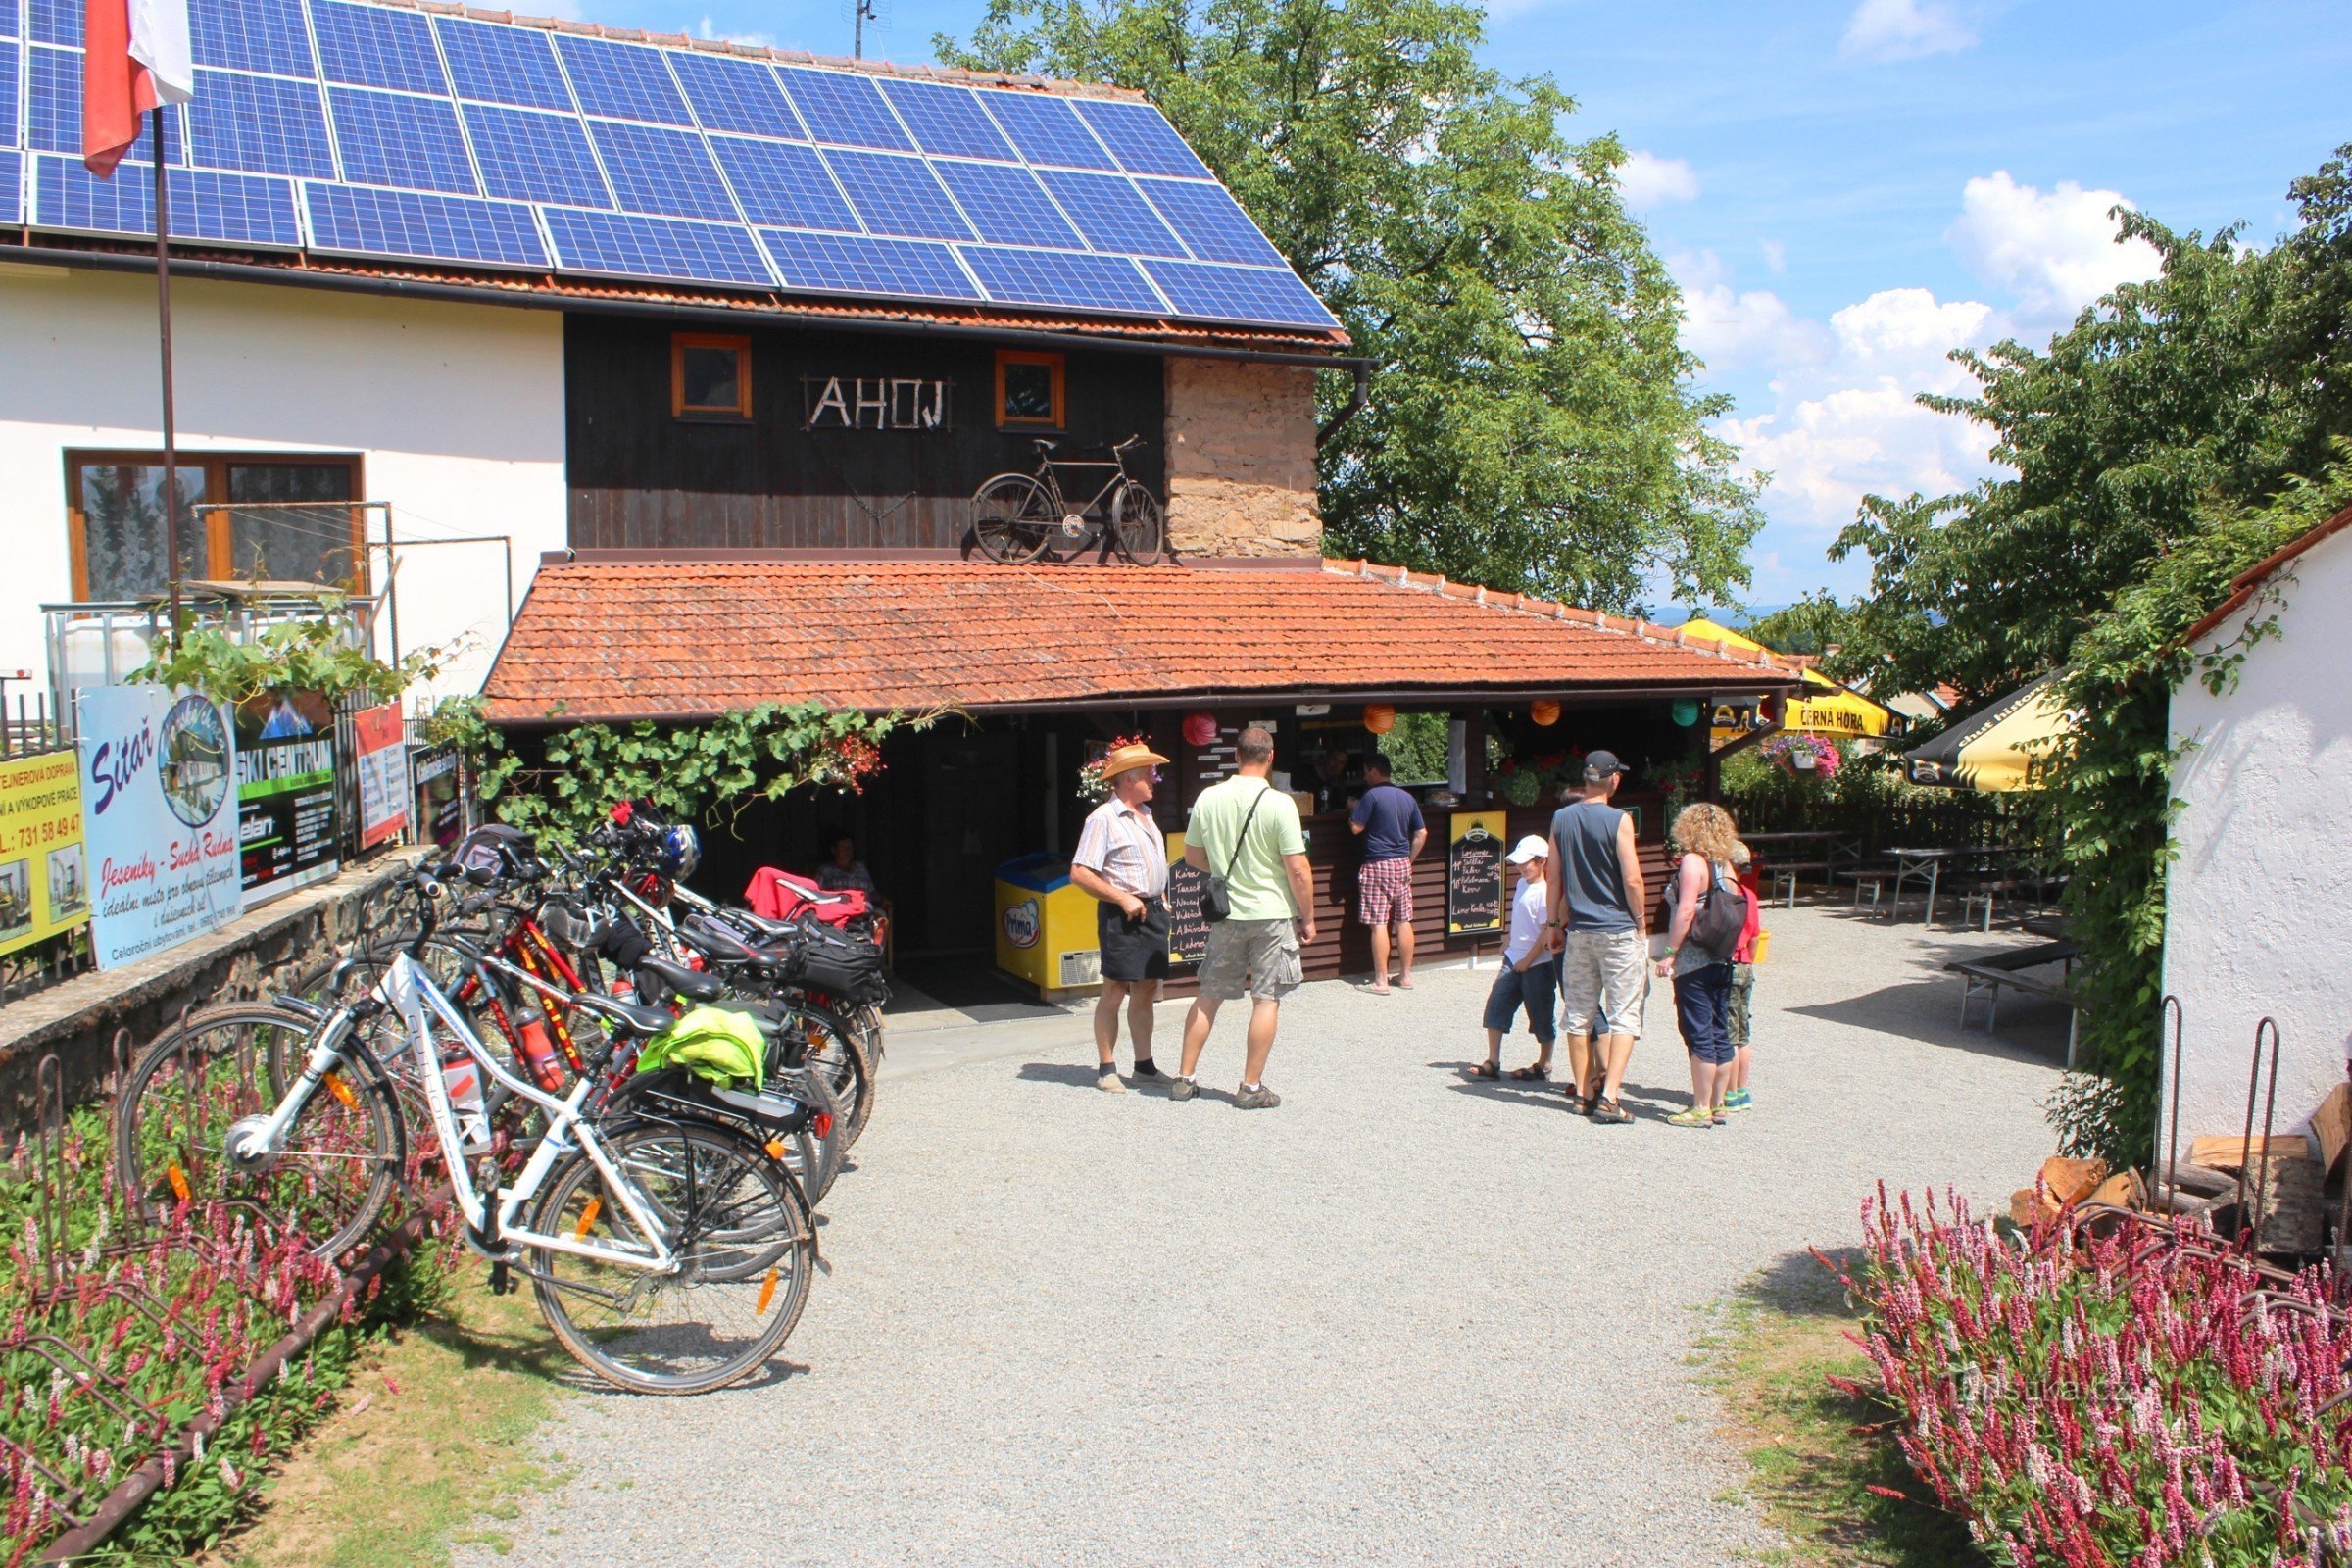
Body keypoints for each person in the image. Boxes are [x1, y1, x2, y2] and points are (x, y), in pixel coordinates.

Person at [1173, 726, 1314, 1108]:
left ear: (1235, 757)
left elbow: (1192, 857)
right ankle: (1250, 1088)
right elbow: (1298, 870)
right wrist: (1308, 917)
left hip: (1227, 912)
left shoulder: (1209, 798)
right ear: (1271, 757)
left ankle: (1184, 1079)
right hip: (1271, 913)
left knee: (1209, 994)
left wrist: (1222, 870)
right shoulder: (1280, 803)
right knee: (1266, 999)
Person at [1544, 750, 1647, 1125]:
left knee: (1578, 1013)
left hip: (1579, 932)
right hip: (1617, 929)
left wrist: (1554, 925)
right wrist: (1640, 922)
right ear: (1614, 780)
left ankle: (1582, 1092)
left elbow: (1553, 878)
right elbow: (1632, 878)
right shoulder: (1619, 820)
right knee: (1623, 1015)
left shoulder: (1560, 818)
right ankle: (1610, 1095)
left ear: (1587, 780)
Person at [1067, 741, 1174, 1093]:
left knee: (1146, 990)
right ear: (1128, 779)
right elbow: (1080, 873)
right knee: (1115, 989)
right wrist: (1122, 898)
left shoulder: (1147, 814)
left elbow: (1145, 863)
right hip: (1122, 913)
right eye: (1148, 773)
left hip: (1152, 911)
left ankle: (1144, 1066)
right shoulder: (1103, 819)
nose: (1154, 779)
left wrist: (1159, 893)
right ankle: (1106, 1068)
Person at [1653, 803, 1745, 1128]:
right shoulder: (1726, 865)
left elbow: (1686, 911)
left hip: (1695, 960)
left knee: (1699, 1031)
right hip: (1722, 958)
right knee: (1721, 1030)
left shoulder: (1694, 862)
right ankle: (1719, 1105)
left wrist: (1669, 952)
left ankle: (1701, 1107)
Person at [1471, 835, 1557, 1081]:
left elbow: (1545, 932)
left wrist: (1528, 961)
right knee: (1497, 1004)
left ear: (1542, 862)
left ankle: (1545, 1063)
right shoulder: (1522, 884)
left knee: (1540, 1011)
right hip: (1513, 957)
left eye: (1526, 863)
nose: (1520, 868)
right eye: (1518, 863)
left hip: (1538, 963)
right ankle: (1493, 1060)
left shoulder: (1545, 892)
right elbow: (1518, 914)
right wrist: (1509, 937)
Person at [1350, 753, 1428, 993]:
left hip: (1377, 863)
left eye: (1365, 772)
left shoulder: (1370, 796)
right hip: (1401, 863)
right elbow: (1422, 833)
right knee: (1403, 920)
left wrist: (1354, 808)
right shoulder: (1407, 797)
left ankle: (1381, 981)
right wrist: (1409, 859)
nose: (1364, 777)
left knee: (1378, 922)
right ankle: (1405, 977)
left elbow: (1356, 828)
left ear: (1374, 771)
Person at [1723, 842, 1764, 1113]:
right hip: (1747, 966)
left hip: (1729, 964)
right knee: (1743, 1033)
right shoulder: (1749, 895)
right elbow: (1756, 936)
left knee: (1729, 1031)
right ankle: (1742, 1089)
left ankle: (1728, 1092)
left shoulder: (1728, 896)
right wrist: (1749, 958)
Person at [815, 832, 878, 898]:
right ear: (834, 850)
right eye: (843, 847)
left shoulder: (861, 868)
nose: (848, 850)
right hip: (839, 906)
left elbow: (872, 893)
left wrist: (883, 901)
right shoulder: (825, 871)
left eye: (850, 847)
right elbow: (816, 894)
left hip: (864, 906)